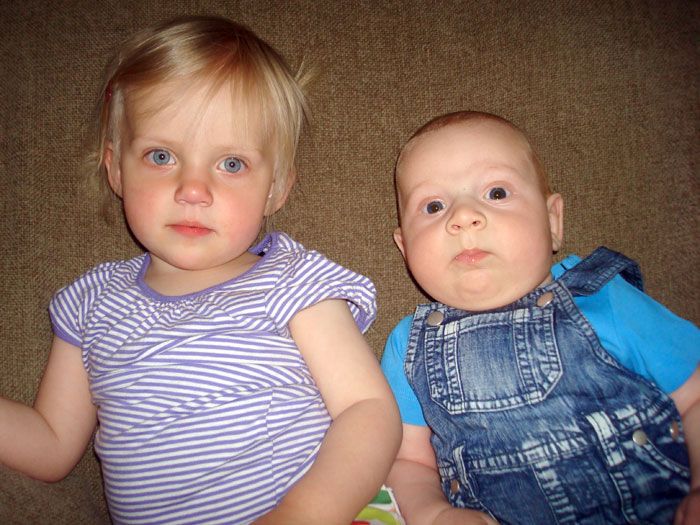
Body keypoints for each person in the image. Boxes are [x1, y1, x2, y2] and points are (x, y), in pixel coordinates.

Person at [0, 15, 401, 524]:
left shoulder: (290, 278)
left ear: (276, 189)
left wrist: (304, 513)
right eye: (161, 156)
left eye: (231, 164)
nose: (193, 190)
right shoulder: (91, 302)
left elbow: (368, 409)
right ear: (116, 168)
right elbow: (52, 445)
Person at [380, 110, 700, 524]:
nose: (463, 217)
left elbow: (694, 396)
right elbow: (408, 462)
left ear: (553, 221)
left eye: (496, 192)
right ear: (405, 248)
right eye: (434, 205)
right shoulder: (409, 346)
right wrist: (434, 513)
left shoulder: (603, 298)